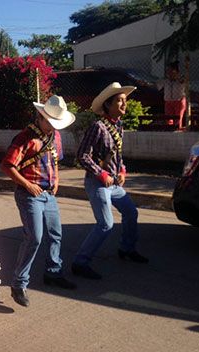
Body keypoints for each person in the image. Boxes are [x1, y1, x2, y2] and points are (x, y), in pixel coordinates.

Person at [0, 95, 77, 307]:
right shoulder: (24, 138)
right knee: (34, 237)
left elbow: (56, 161)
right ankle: (19, 283)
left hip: (48, 194)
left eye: (55, 124)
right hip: (29, 194)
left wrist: (57, 180)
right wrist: (27, 184)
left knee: (56, 234)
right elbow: (7, 166)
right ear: (41, 117)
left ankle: (53, 272)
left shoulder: (56, 137)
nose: (53, 127)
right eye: (50, 123)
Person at [72, 82, 149, 280]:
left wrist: (122, 170)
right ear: (108, 105)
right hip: (98, 183)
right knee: (106, 224)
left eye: (125, 100)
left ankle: (127, 248)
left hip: (114, 183)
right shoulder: (98, 127)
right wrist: (101, 174)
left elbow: (117, 155)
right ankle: (80, 262)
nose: (124, 105)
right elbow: (82, 155)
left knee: (131, 212)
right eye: (120, 101)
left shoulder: (118, 126)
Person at [156, 61, 186, 130]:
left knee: (178, 118)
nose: (169, 73)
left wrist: (176, 78)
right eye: (168, 71)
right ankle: (169, 129)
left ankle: (177, 128)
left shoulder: (180, 79)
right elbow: (157, 85)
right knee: (168, 118)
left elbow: (183, 82)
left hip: (178, 100)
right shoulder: (166, 81)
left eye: (171, 71)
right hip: (168, 101)